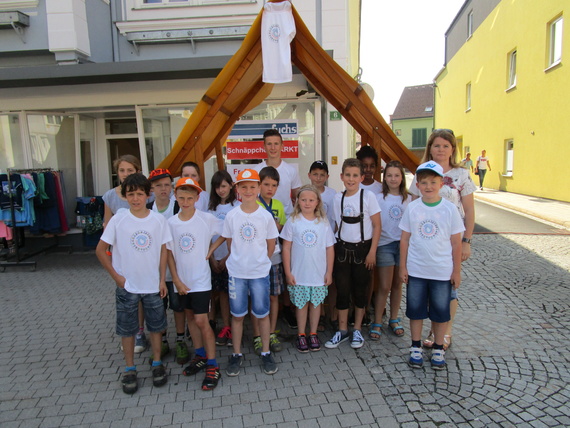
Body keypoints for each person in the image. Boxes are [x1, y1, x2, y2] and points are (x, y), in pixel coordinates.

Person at [96, 173, 171, 394]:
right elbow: (100, 250)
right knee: (127, 329)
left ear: (148, 194)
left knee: (156, 327)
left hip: (152, 285)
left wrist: (162, 279)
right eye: (131, 194)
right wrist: (116, 277)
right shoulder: (118, 220)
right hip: (127, 286)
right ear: (125, 196)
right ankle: (129, 368)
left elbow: (164, 250)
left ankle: (157, 362)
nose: (136, 198)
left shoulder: (158, 220)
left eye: (140, 194)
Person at [409, 128, 476, 351]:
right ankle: (432, 331)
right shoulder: (421, 172)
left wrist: (467, 241)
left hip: (451, 240)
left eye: (446, 146)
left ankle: (446, 331)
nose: (441, 149)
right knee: (428, 287)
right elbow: (413, 205)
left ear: (452, 149)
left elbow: (469, 209)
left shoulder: (462, 174)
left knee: (449, 288)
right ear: (430, 148)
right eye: (437, 145)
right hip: (426, 240)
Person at [213, 169, 280, 376]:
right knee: (238, 315)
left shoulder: (265, 216)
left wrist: (260, 262)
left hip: (259, 274)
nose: (248, 190)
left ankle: (266, 352)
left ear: (258, 188)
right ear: (238, 189)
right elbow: (230, 244)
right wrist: (239, 261)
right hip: (237, 274)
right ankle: (236, 354)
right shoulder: (232, 216)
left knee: (262, 314)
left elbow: (271, 245)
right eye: (244, 187)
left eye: (252, 186)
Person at [399, 161, 465, 370]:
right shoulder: (413, 208)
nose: (428, 186)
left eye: (433, 182)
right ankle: (415, 347)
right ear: (418, 185)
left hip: (441, 272)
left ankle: (438, 348)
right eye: (424, 182)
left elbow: (456, 243)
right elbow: (404, 239)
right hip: (417, 270)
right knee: (415, 311)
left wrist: (456, 271)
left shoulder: (449, 209)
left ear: (441, 184)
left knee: (440, 312)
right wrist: (403, 267)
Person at [166, 177, 223, 391]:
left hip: (200, 281)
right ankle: (199, 355)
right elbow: (169, 253)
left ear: (197, 198)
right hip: (181, 281)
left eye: (190, 198)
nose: (185, 202)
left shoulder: (206, 219)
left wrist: (211, 250)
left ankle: (212, 364)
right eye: (181, 198)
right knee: (190, 317)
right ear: (175, 196)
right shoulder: (171, 223)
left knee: (201, 320)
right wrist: (176, 280)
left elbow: (226, 232)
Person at [325, 158, 381, 350]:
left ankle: (356, 329)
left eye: (355, 175)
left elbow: (377, 225)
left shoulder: (368, 196)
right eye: (347, 175)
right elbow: (335, 225)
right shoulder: (337, 198)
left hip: (362, 250)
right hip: (341, 249)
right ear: (341, 176)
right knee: (342, 290)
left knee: (360, 290)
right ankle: (342, 330)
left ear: (361, 177)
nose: (351, 179)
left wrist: (372, 251)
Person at [254, 129, 303, 329]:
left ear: (282, 146)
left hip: (285, 224)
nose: (273, 147)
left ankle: (287, 308)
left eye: (276, 143)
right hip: (261, 230)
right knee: (268, 268)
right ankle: (262, 312)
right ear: (264, 146)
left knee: (286, 267)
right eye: (269, 144)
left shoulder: (290, 170)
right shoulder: (257, 169)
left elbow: (298, 196)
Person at [102, 155, 148, 354]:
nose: (125, 174)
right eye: (122, 170)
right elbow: (107, 224)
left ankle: (140, 331)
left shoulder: (144, 194)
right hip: (122, 255)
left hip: (142, 250)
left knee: (142, 294)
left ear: (137, 171)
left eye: (130, 170)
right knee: (126, 294)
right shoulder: (110, 196)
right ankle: (130, 332)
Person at [281, 185, 335, 353]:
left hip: (318, 274)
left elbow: (329, 248)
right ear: (298, 201)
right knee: (301, 305)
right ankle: (301, 334)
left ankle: (313, 333)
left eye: (311, 200)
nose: (307, 203)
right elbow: (286, 248)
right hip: (299, 274)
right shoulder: (293, 221)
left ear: (317, 202)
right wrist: (288, 272)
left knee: (316, 304)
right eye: (303, 200)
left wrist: (329, 272)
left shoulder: (323, 223)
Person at [147, 168, 189, 365]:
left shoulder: (178, 206)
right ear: (151, 188)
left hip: (176, 268)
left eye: (167, 185)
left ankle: (180, 340)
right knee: (159, 307)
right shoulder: (147, 209)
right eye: (158, 186)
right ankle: (162, 341)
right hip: (154, 269)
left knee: (178, 306)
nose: (163, 189)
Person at [370, 161, 412, 341]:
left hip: (403, 246)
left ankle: (394, 318)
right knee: (384, 286)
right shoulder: (378, 198)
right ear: (384, 178)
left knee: (397, 284)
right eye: (389, 175)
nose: (393, 179)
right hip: (384, 245)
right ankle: (378, 320)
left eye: (396, 175)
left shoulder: (409, 199)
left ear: (402, 177)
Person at [251, 166, 287, 355]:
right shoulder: (253, 204)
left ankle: (271, 332)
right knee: (257, 298)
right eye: (266, 184)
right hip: (256, 259)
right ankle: (257, 335)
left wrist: (277, 226)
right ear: (259, 185)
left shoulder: (278, 205)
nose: (270, 188)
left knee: (274, 296)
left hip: (274, 258)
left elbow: (281, 228)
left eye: (274, 185)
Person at [208, 170, 240, 348]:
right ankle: (219, 326)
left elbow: (238, 238)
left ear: (231, 186)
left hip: (231, 259)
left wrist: (228, 257)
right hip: (215, 258)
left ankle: (232, 327)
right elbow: (207, 235)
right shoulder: (210, 209)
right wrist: (212, 258)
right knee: (217, 293)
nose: (221, 190)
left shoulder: (237, 207)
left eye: (224, 186)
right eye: (217, 187)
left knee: (230, 295)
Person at [307, 160, 337, 331]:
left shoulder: (333, 194)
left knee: (329, 280)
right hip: (311, 245)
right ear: (309, 175)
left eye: (322, 175)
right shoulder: (305, 192)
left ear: (327, 176)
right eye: (315, 174)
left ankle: (332, 314)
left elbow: (336, 219)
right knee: (314, 280)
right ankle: (320, 316)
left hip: (328, 242)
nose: (318, 178)